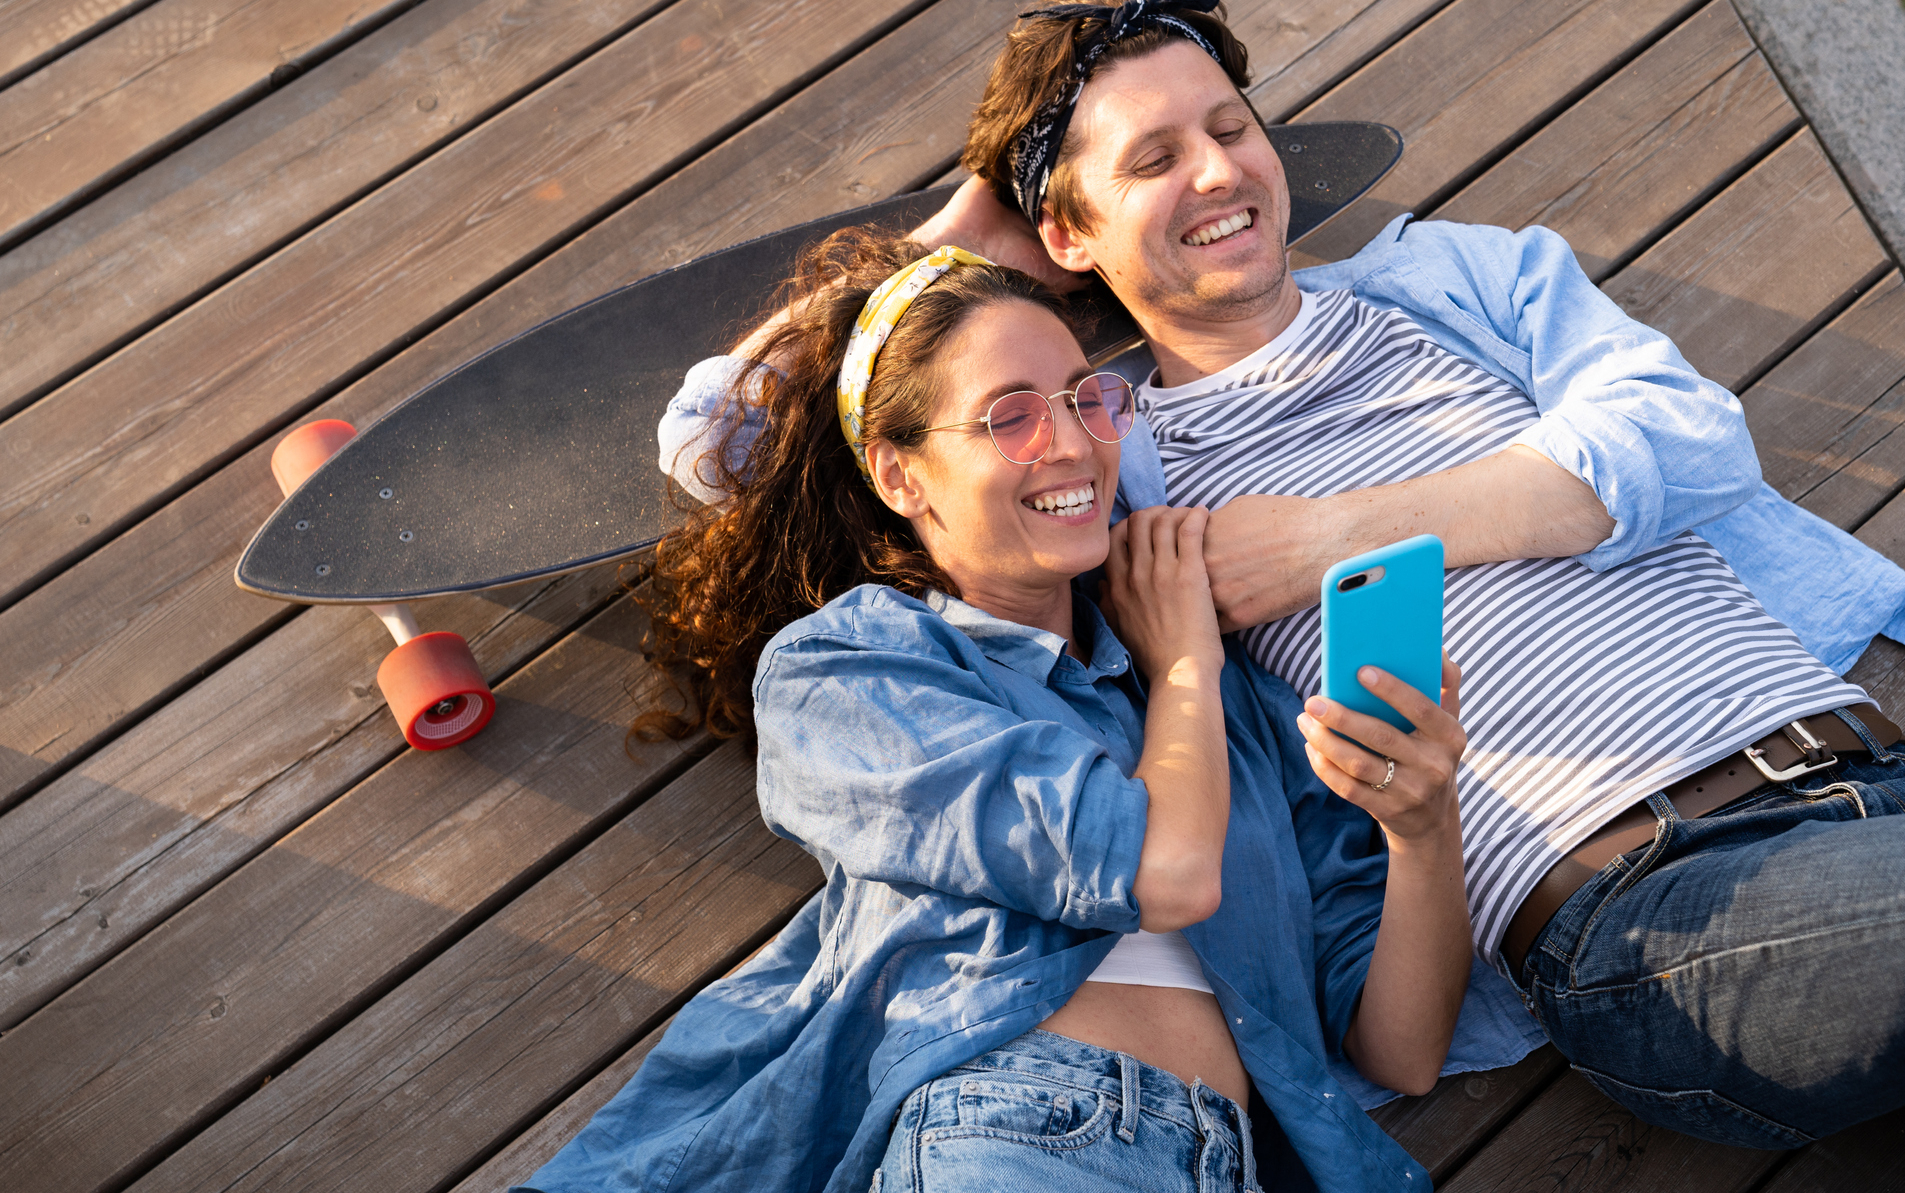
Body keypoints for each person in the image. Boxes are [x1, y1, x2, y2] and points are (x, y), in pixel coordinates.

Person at [661, 4, 1905, 1186]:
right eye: (1152, 160)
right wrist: (963, 230)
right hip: (1652, 899)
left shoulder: (1455, 282)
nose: (1221, 172)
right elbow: (721, 443)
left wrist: (1332, 538)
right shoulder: (1117, 457)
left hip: (1877, 790)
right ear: (1065, 232)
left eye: (1231, 128)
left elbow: (1681, 437)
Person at [524, 229, 1483, 1193]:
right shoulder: (852, 668)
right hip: (1021, 1132)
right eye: (1008, 417)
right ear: (897, 473)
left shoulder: (1230, 710)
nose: (1069, 441)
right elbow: (1165, 875)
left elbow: (1401, 1049)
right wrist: (1185, 652)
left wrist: (1420, 822)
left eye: (1084, 398)